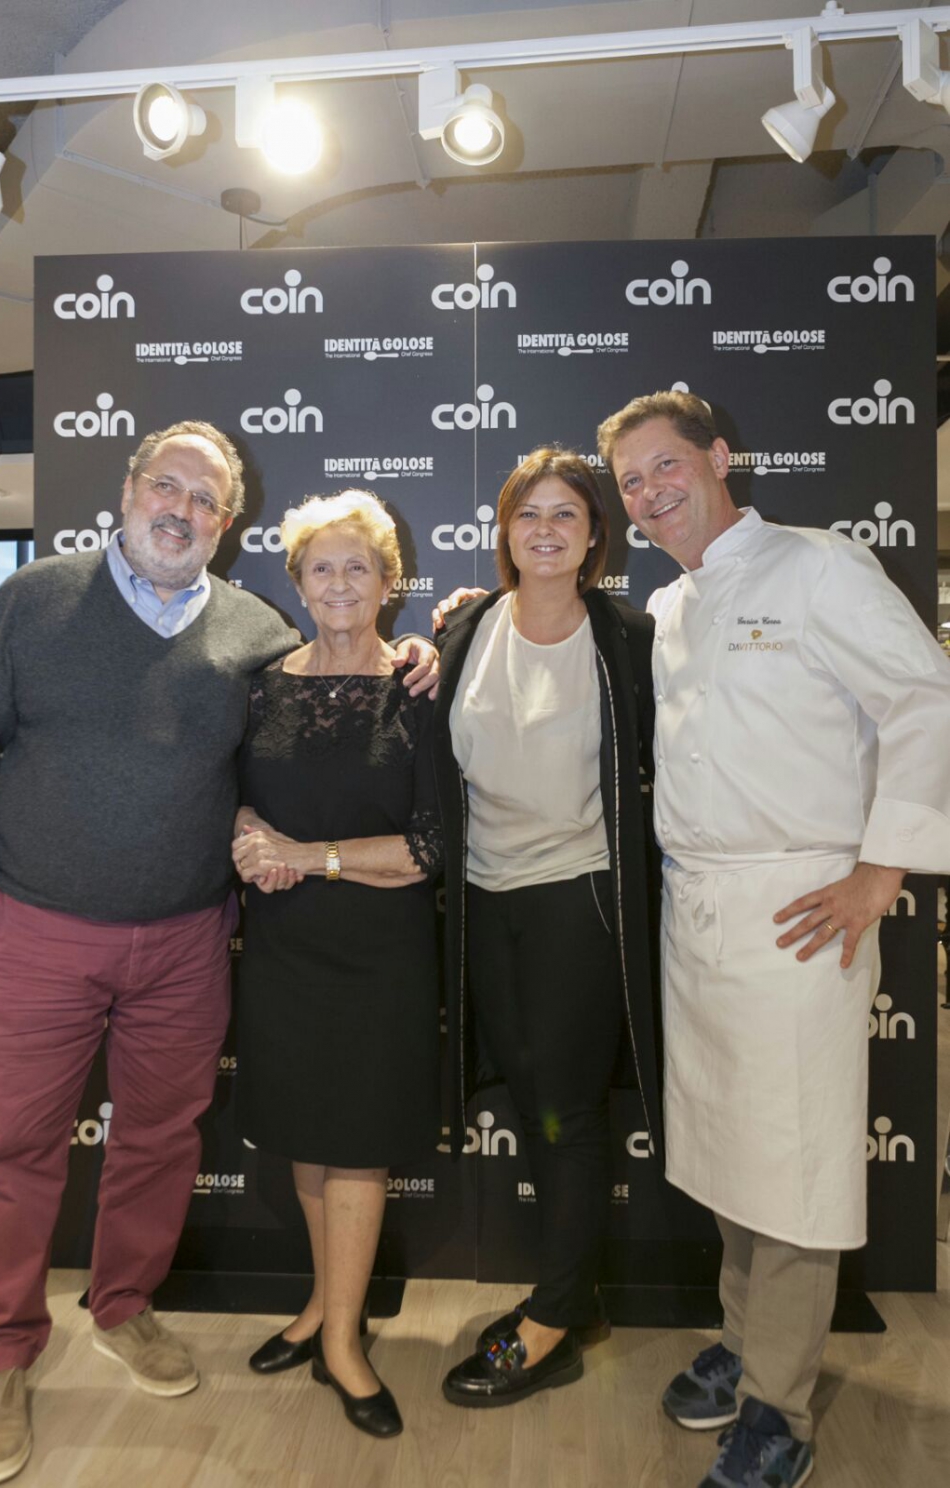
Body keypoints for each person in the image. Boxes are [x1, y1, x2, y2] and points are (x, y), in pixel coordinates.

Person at [0, 424, 437, 1486]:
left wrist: (416, 650)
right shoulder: (34, 599)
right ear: (129, 492)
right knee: (18, 1150)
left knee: (161, 1141)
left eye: (205, 500)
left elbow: (329, 693)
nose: (180, 509)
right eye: (164, 487)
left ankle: (124, 1310)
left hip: (186, 938)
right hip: (37, 926)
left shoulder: (253, 630)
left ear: (227, 524)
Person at [598, 390, 950, 1488]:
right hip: (696, 914)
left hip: (799, 913)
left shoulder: (818, 567)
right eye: (630, 484)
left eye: (664, 467)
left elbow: (925, 701)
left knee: (789, 1168)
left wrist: (878, 870)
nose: (651, 494)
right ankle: (746, 1340)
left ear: (718, 457)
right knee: (723, 1155)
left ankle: (779, 1409)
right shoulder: (667, 609)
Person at [431, 448, 662, 1409]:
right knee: (532, 1101)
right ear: (506, 530)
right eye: (530, 513)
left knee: (565, 1114)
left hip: (581, 900)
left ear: (596, 535)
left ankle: (555, 1323)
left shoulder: (629, 637)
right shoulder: (465, 626)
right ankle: (577, 1295)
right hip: (484, 900)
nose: (548, 530)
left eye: (569, 514)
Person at [231, 490, 442, 1440]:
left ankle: (346, 1344)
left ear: (389, 582)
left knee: (355, 1136)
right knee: (309, 1134)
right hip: (283, 949)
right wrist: (246, 838)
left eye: (360, 565)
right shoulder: (262, 683)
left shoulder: (419, 687)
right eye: (323, 566)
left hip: (379, 951)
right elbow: (236, 800)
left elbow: (430, 846)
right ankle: (323, 1308)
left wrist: (310, 858)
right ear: (297, 582)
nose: (342, 582)